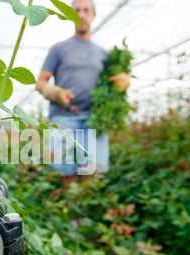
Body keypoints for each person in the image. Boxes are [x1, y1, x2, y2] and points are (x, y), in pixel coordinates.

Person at [36, 0, 129, 184]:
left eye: (86, 10)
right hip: (64, 117)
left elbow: (113, 83)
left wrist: (124, 81)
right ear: (71, 14)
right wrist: (57, 93)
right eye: (77, 10)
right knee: (66, 171)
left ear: (93, 15)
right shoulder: (59, 49)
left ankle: (85, 209)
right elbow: (40, 82)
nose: (81, 14)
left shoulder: (104, 54)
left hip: (95, 118)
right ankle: (70, 211)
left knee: (94, 169)